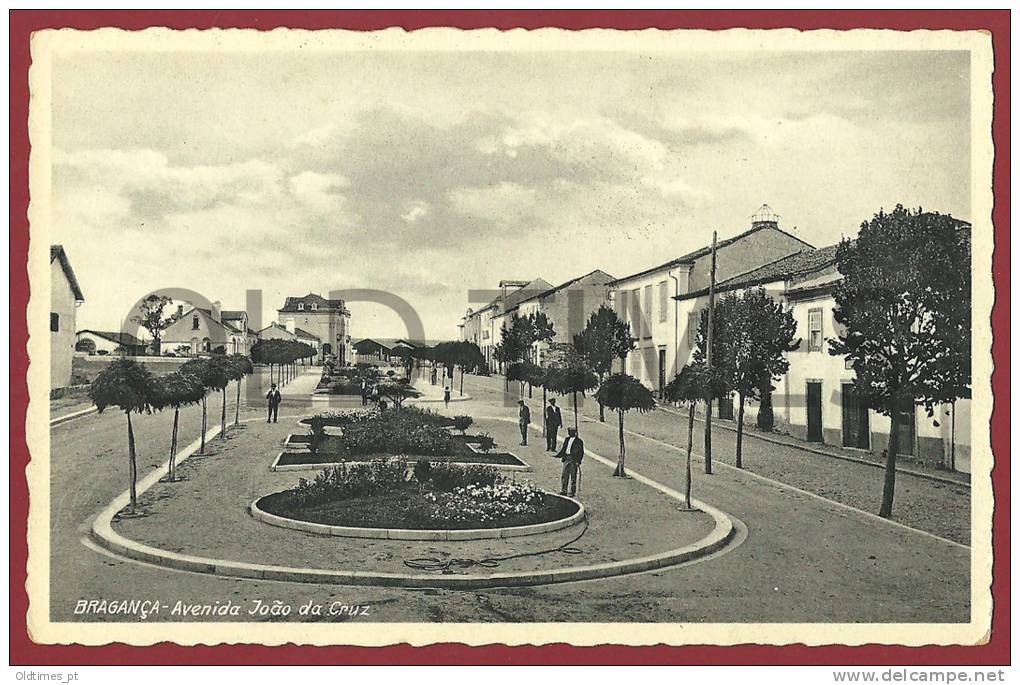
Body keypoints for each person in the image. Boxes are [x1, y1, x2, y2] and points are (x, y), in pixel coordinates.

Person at [554, 427, 584, 497]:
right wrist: (559, 455)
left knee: (573, 476)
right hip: (566, 458)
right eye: (569, 431)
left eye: (571, 432)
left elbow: (581, 453)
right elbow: (564, 449)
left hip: (573, 460)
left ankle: (572, 491)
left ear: (575, 432)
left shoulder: (579, 441)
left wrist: (578, 461)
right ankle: (564, 490)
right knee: (564, 475)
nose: (569, 433)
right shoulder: (567, 439)